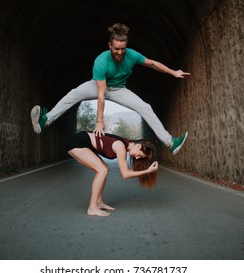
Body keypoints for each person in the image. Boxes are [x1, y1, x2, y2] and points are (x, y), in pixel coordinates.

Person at [31, 23, 190, 155]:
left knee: (145, 107)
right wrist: (99, 122)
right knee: (74, 94)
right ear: (110, 46)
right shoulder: (101, 61)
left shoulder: (132, 55)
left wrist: (173, 72)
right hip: (98, 86)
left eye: (123, 49)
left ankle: (170, 142)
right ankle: (45, 121)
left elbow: (153, 64)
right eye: (116, 49)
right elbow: (101, 94)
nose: (120, 53)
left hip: (119, 89)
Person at [66, 131, 158, 217]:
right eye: (140, 155)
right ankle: (92, 208)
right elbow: (125, 174)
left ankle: (99, 202)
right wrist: (147, 171)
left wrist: (147, 171)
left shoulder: (124, 145)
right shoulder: (120, 146)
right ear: (138, 146)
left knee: (104, 169)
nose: (137, 158)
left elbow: (127, 170)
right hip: (77, 142)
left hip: (79, 142)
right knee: (102, 170)